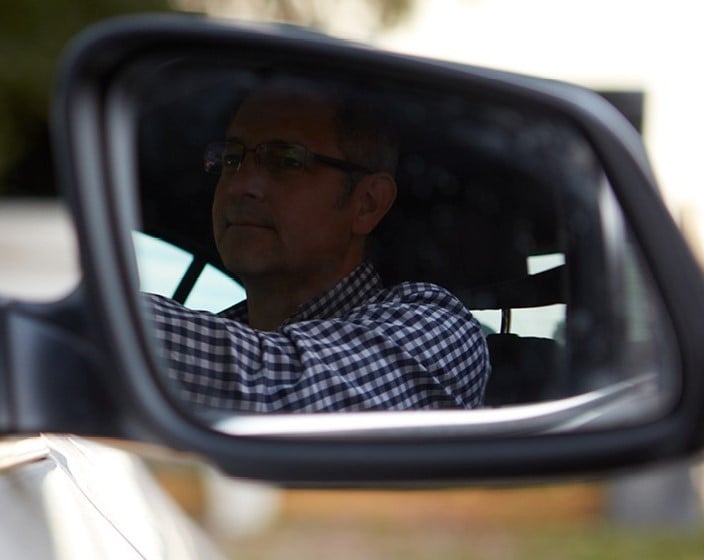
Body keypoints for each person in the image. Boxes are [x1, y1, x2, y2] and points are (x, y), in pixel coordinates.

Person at [145, 79, 490, 413]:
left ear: (367, 203)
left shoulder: (438, 331)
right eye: (232, 158)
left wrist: (109, 315)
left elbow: (278, 393)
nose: (240, 185)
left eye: (286, 160)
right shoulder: (228, 331)